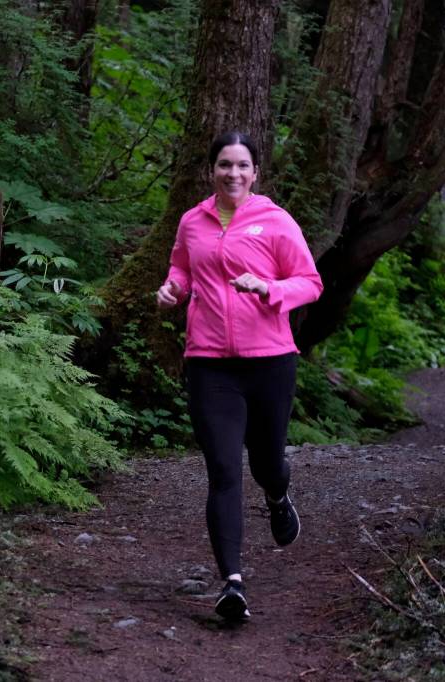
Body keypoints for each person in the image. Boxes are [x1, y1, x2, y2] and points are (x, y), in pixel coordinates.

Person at [156, 131, 323, 622]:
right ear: (212, 170)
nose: (233, 173)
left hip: (270, 360)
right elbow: (182, 270)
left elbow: (310, 282)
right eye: (224, 165)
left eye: (242, 166)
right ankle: (232, 583)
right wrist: (172, 290)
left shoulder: (275, 222)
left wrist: (269, 288)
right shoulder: (193, 221)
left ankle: (277, 494)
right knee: (224, 470)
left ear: (256, 174)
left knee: (266, 462)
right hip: (209, 362)